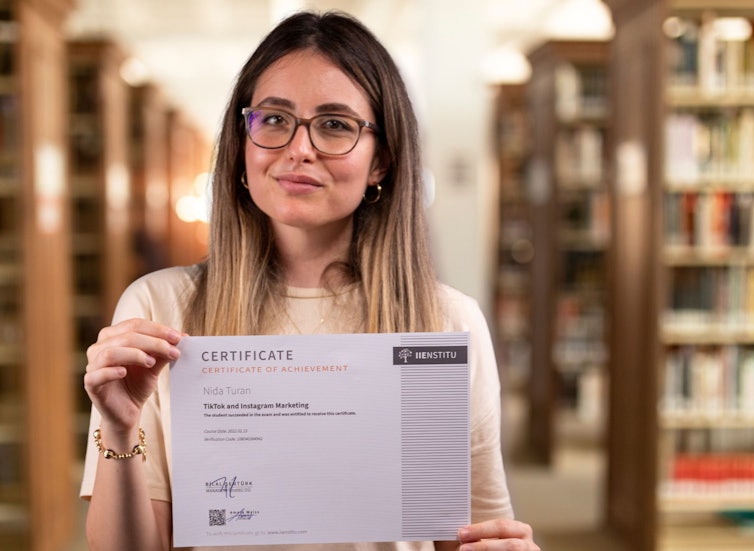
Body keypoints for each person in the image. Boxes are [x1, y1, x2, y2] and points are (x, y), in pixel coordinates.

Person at [80, 10, 540, 551]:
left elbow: (463, 535)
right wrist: (117, 428)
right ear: (242, 144)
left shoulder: (447, 322)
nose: (298, 148)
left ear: (381, 162)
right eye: (274, 119)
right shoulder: (159, 308)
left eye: (335, 124)